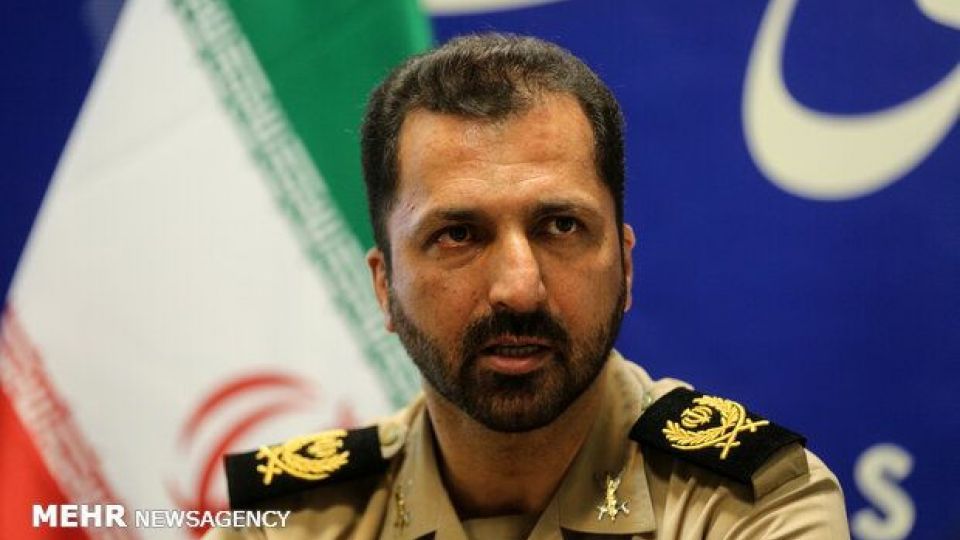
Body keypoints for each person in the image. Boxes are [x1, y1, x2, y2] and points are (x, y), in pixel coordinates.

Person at [206, 34, 850, 539]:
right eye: (458, 235)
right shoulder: (288, 522)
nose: (519, 289)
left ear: (626, 267)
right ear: (384, 286)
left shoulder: (752, 507)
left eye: (561, 226)